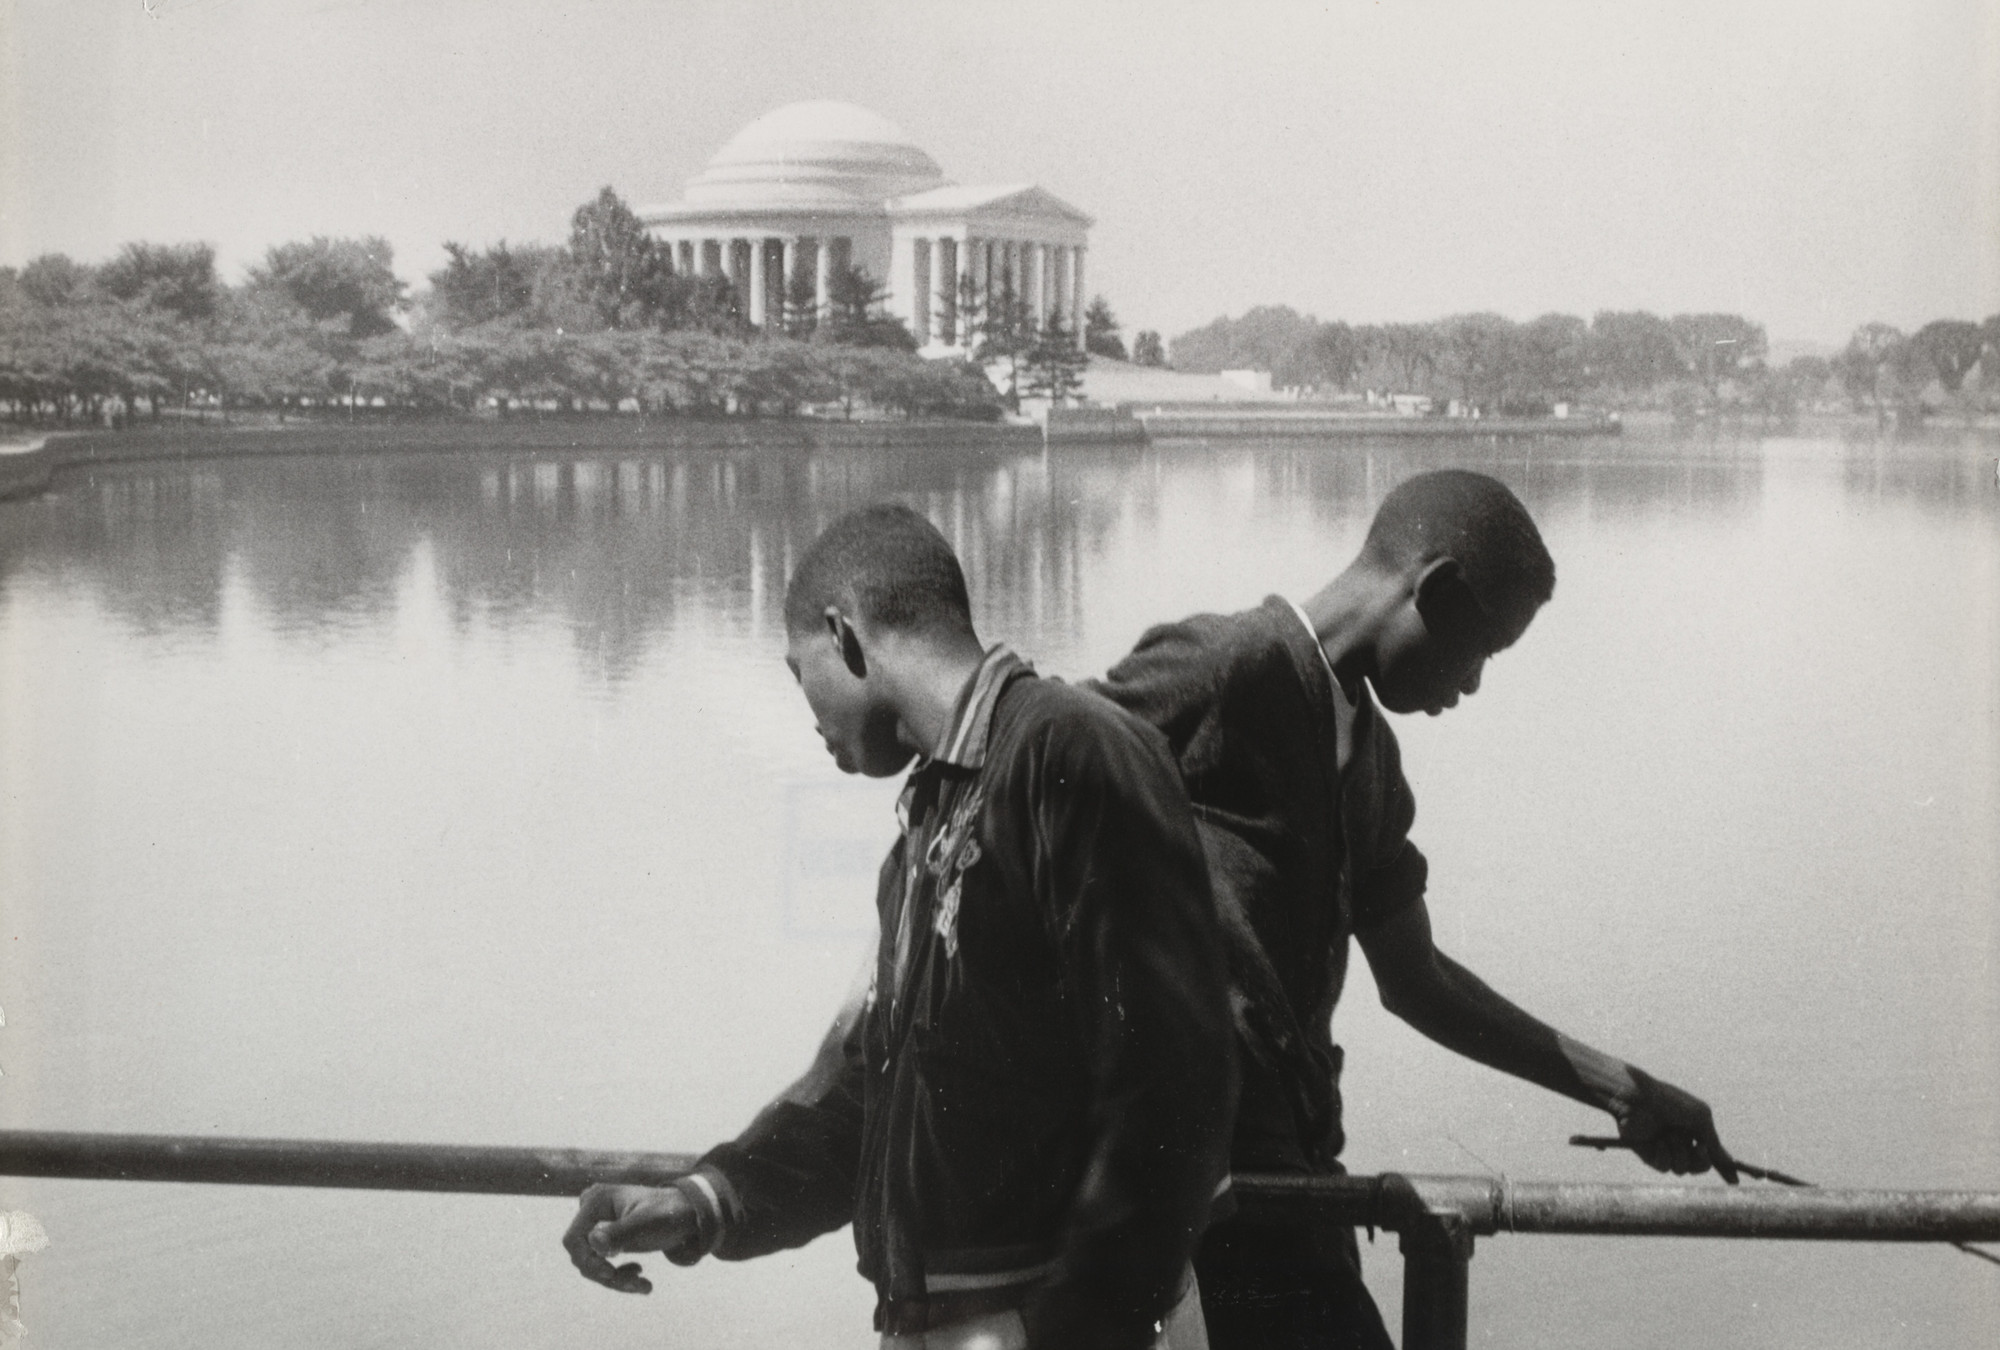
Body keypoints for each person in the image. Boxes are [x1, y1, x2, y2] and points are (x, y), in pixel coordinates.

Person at [562, 503, 1237, 1350]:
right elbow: (875, 1099)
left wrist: (1079, 1323)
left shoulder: (1070, 751)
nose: (807, 717)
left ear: (845, 637)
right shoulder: (932, 819)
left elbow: (1179, 1088)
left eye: (795, 671)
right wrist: (703, 1200)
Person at [1088, 468, 1737, 1349]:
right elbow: (1028, 774)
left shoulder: (1372, 766)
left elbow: (1416, 980)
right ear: (1429, 590)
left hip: (1295, 1187)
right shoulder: (1227, 666)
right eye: (1481, 652)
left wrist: (1619, 1089)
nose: (1469, 687)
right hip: (1189, 1196)